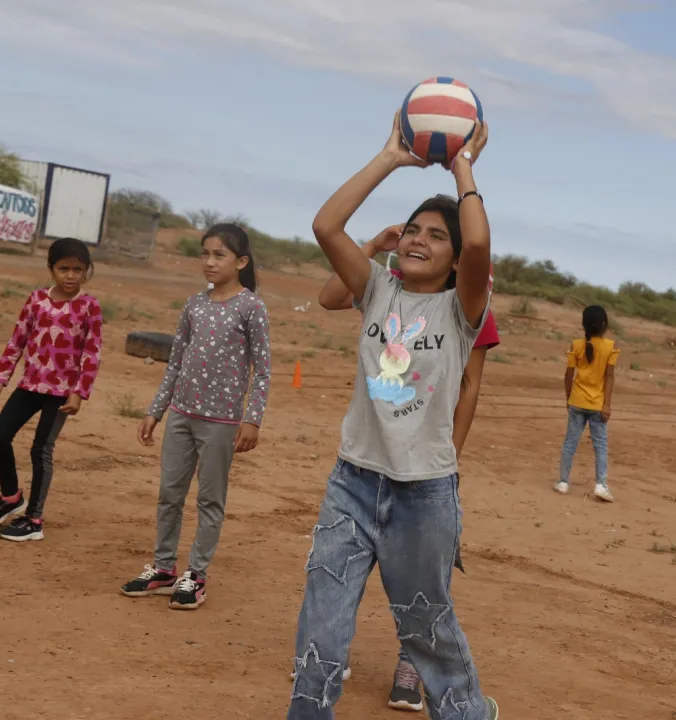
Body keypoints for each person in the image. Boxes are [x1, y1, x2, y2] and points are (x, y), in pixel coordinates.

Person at [287, 112, 499, 719]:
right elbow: (326, 225)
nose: (417, 239)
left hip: (423, 496)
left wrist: (462, 163)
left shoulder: (464, 311)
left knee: (426, 636)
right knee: (320, 628)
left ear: (457, 260)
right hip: (352, 484)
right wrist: (390, 157)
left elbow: (481, 243)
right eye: (412, 229)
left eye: (436, 235)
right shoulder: (378, 290)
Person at [119, 223, 271, 610]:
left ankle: (197, 575)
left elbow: (263, 369)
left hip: (221, 423)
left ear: (241, 262)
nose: (209, 262)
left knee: (209, 499)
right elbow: (175, 363)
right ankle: (165, 567)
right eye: (205, 254)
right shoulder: (194, 304)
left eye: (219, 255)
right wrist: (157, 411)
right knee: (169, 493)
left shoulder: (251, 307)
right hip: (181, 416)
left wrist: (252, 418)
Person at [0, 238, 103, 542]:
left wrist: (79, 391)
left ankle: (34, 519)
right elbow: (18, 339)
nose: (71, 275)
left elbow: (92, 352)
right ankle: (11, 497)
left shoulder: (89, 306)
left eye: (78, 269)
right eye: (64, 269)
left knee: (40, 450)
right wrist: (1, 376)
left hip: (61, 393)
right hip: (30, 385)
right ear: (51, 269)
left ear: (87, 270)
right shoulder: (36, 300)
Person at [556, 305, 618, 502]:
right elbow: (609, 378)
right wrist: (607, 404)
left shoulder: (576, 345)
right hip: (598, 405)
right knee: (600, 446)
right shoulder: (610, 347)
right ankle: (601, 484)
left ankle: (564, 482)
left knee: (570, 443)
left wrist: (569, 399)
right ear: (604, 325)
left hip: (577, 401)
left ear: (584, 324)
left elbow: (568, 375)